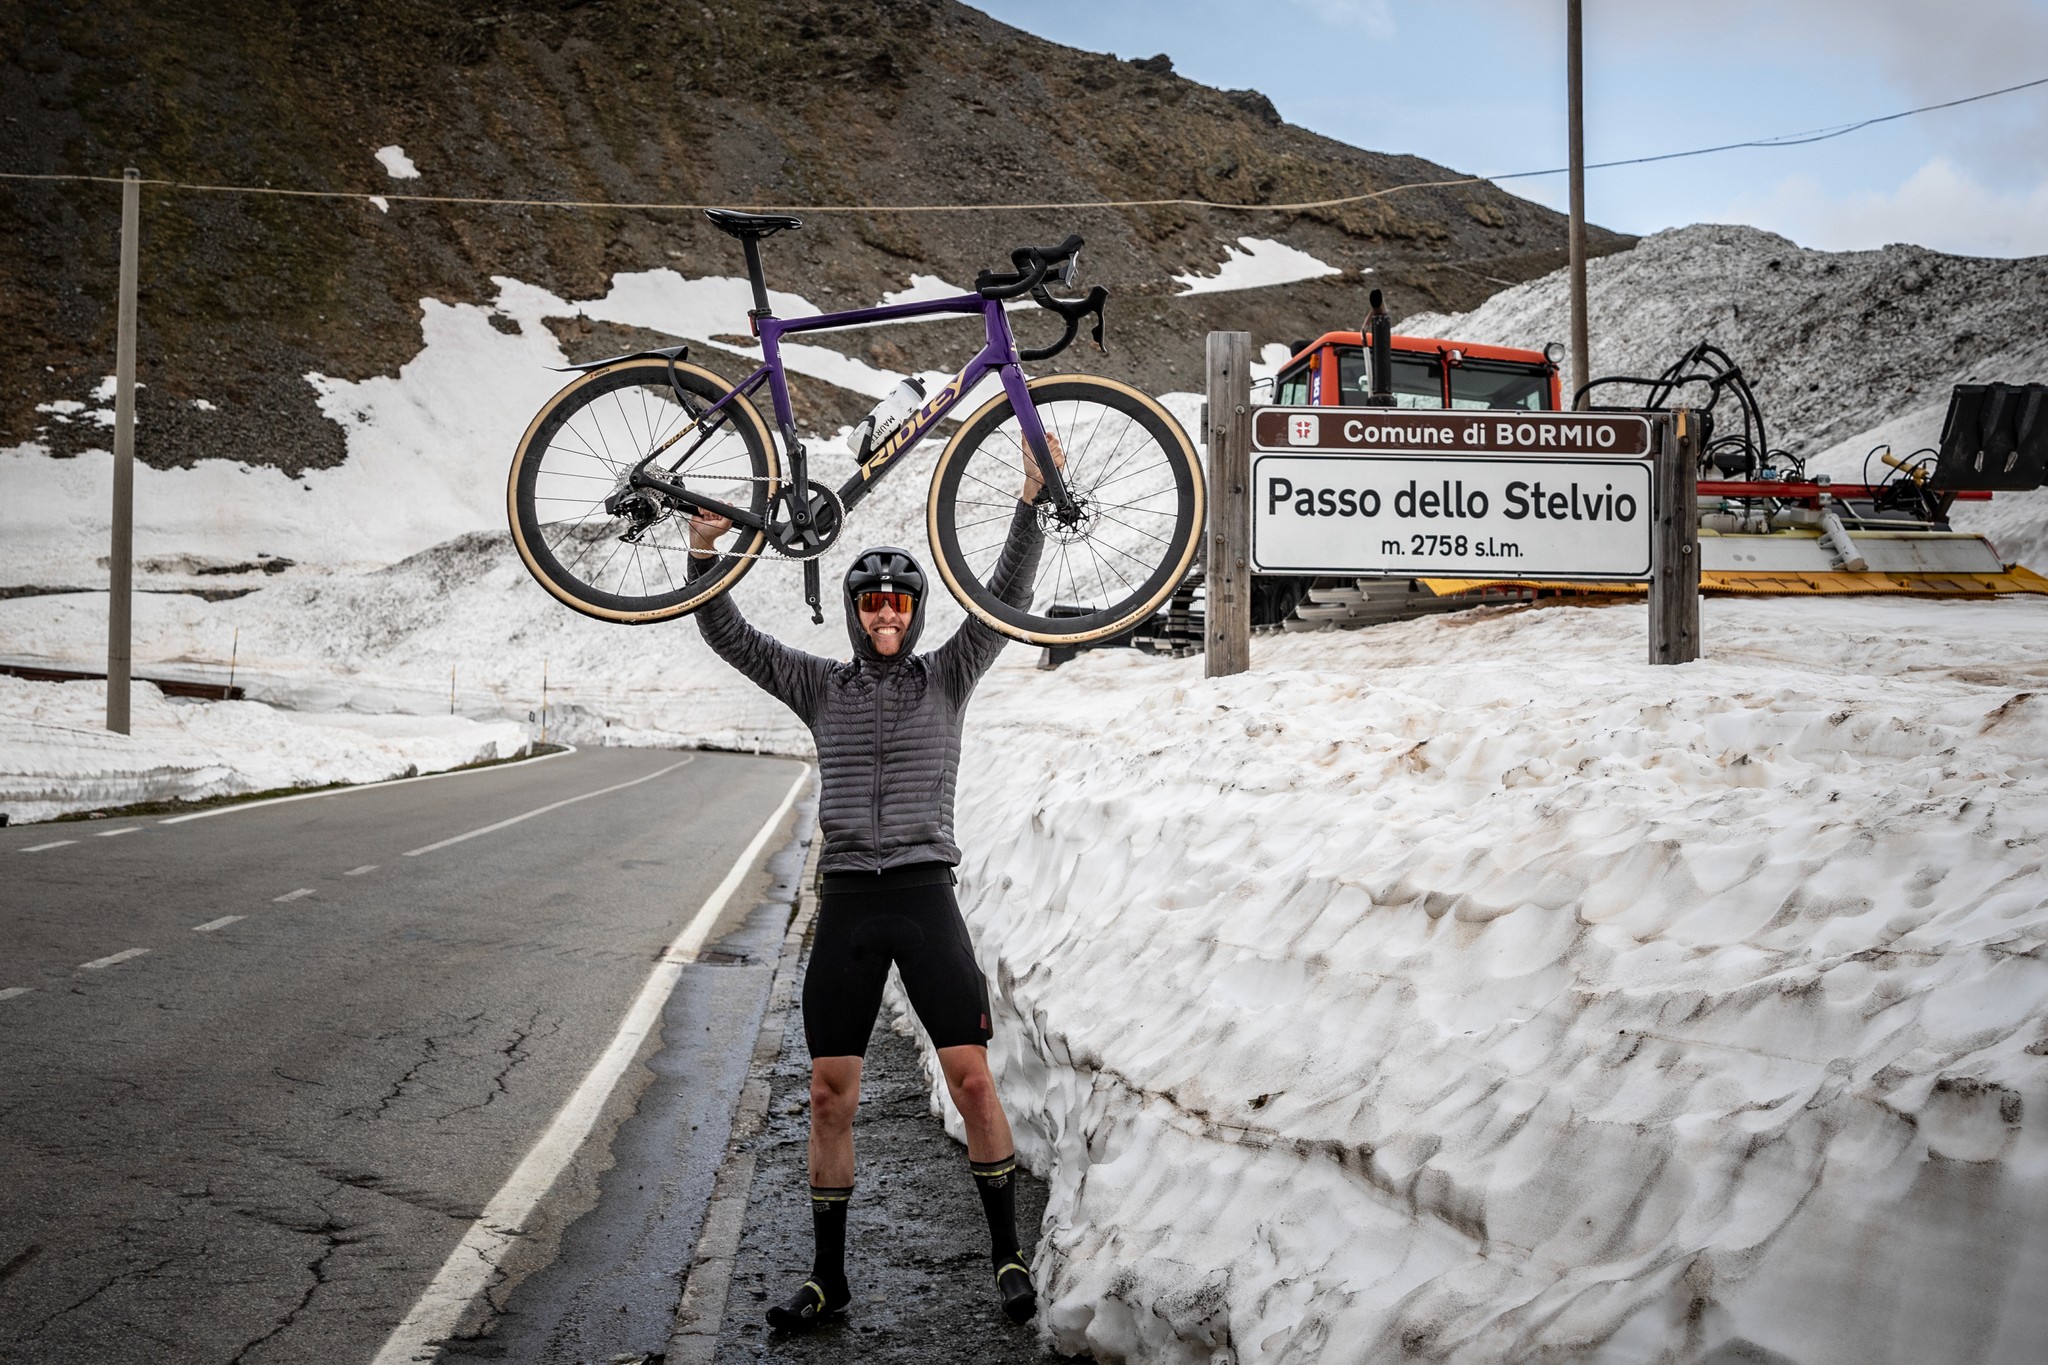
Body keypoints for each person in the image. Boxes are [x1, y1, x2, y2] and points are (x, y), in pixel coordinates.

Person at [683, 436, 1062, 1332]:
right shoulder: (820, 686)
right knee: (828, 1092)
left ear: (916, 612)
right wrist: (702, 554)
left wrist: (1030, 504)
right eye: (872, 601)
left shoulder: (950, 674)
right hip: (850, 902)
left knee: (972, 1078)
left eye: (898, 600)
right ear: (855, 613)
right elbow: (727, 633)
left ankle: (1007, 1254)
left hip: (925, 897)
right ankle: (828, 1278)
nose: (886, 612)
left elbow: (1004, 598)